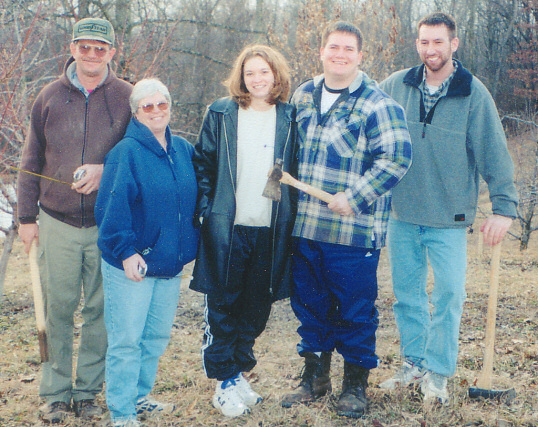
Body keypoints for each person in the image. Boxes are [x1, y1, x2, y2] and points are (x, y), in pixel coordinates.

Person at [378, 12, 518, 405]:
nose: (430, 49)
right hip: (402, 214)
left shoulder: (474, 93)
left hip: (449, 219)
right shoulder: (396, 85)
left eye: (438, 42)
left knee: (449, 296)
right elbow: (363, 111)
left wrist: (503, 209)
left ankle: (437, 374)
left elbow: (494, 153)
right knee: (406, 295)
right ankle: (414, 364)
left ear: (453, 44)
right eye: (424, 41)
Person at [280, 21, 412, 418]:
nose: (340, 55)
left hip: (353, 232)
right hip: (305, 228)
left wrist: (354, 198)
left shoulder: (378, 103)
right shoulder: (303, 95)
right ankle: (315, 378)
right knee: (310, 305)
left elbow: (398, 159)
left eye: (348, 49)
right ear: (321, 51)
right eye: (333, 47)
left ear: (360, 55)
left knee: (354, 311)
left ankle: (355, 386)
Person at [16, 17, 132, 423]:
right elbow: (30, 161)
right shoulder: (49, 96)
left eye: (101, 48)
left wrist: (104, 169)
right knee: (58, 309)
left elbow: (135, 157)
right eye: (85, 46)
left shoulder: (127, 98)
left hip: (106, 225)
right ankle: (56, 394)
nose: (92, 55)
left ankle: (87, 393)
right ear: (73, 48)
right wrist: (26, 218)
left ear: (112, 53)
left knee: (101, 311)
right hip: (56, 222)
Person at [190, 44, 296, 418]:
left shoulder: (290, 117)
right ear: (241, 77)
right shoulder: (222, 112)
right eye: (250, 73)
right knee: (223, 304)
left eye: (264, 72)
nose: (257, 79)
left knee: (256, 305)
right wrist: (207, 210)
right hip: (227, 226)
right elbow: (201, 163)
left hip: (269, 228)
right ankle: (222, 381)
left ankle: (238, 373)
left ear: (276, 75)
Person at [94, 78, 199, 427]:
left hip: (169, 265)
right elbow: (110, 211)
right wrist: (125, 251)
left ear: (170, 107)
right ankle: (122, 413)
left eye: (162, 104)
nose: (156, 111)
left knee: (154, 337)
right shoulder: (126, 153)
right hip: (133, 265)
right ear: (137, 113)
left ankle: (140, 396)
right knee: (127, 342)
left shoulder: (183, 150)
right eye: (148, 106)